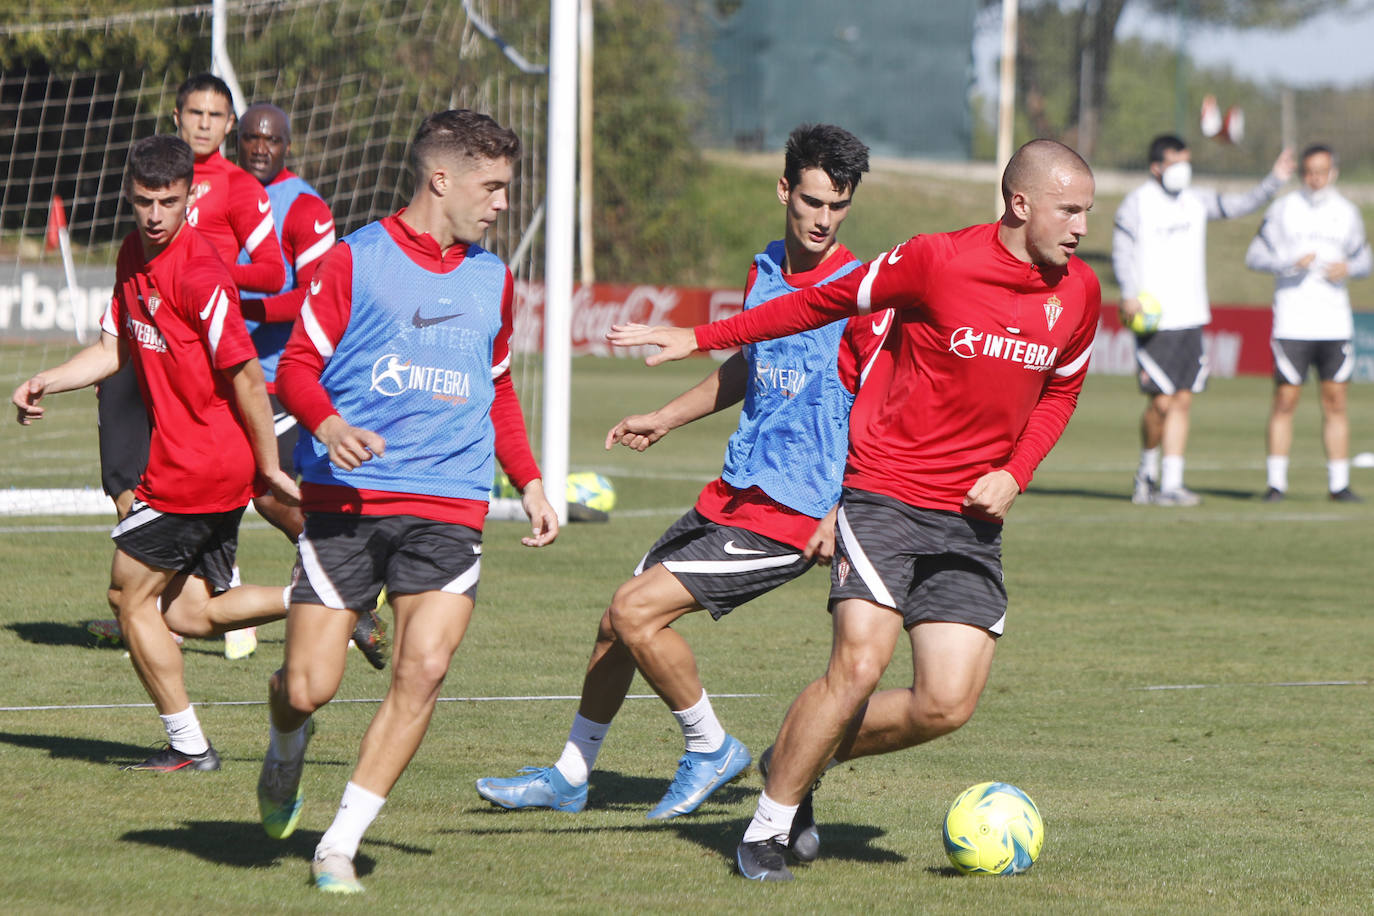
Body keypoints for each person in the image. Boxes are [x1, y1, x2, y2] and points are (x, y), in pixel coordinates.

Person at [608, 139, 1101, 881]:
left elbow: (1061, 391)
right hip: (885, 493)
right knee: (860, 664)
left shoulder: (1081, 293)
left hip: (972, 518)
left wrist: (1016, 473)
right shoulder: (935, 259)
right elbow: (819, 301)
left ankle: (791, 760)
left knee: (946, 703)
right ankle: (768, 830)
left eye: (1087, 212)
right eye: (1070, 210)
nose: (1081, 227)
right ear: (1021, 203)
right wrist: (700, 338)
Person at [474, 124, 890, 828]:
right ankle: (571, 776)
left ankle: (710, 747)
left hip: (794, 510)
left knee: (638, 612)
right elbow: (749, 364)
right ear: (784, 188)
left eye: (838, 207)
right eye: (812, 201)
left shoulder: (858, 292)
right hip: (736, 489)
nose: (823, 220)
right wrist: (668, 416)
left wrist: (839, 511)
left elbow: (881, 409)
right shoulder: (765, 271)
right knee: (617, 619)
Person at [255, 109, 559, 895]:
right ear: (440, 179)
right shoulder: (354, 261)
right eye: (490, 187)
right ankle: (286, 746)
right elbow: (294, 369)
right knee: (306, 687)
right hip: (348, 500)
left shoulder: (493, 276)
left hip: (452, 501)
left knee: (422, 669)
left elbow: (495, 388)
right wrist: (326, 423)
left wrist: (526, 479)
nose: (499, 203)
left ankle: (338, 845)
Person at [11, 134, 300, 772]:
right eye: (144, 201)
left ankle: (189, 747)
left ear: (189, 198)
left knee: (127, 597)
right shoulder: (130, 256)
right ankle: (322, 594)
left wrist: (271, 465)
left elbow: (248, 376)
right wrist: (45, 380)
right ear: (130, 194)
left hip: (200, 466)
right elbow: (115, 349)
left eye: (168, 202)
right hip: (195, 463)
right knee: (191, 612)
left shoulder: (199, 274)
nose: (155, 215)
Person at [89, 73, 287, 660]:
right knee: (126, 488)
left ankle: (154, 619)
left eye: (214, 114)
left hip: (204, 378)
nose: (203, 123)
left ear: (229, 124)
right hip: (146, 365)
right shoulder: (138, 230)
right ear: (176, 117)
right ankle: (163, 609)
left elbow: (274, 273)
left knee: (261, 496)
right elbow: (115, 330)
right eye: (193, 112)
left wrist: (209, 277)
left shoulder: (238, 190)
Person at [233, 102, 387, 666]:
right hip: (222, 373)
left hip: (279, 377)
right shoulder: (222, 193)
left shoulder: (303, 206)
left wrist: (241, 302)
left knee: (268, 492)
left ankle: (348, 576)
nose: (260, 148)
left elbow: (312, 294)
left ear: (287, 146)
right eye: (251, 138)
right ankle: (209, 611)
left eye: (271, 139)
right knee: (216, 486)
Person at [1113, 134, 1295, 506]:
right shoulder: (1137, 204)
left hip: (1191, 315)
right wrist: (1129, 293)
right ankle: (1147, 473)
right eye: (1176, 162)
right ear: (1156, 166)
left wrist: (1274, 179)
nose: (1184, 170)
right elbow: (1122, 251)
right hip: (1153, 318)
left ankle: (1172, 483)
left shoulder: (1195, 201)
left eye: (1186, 162)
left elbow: (1239, 205)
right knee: (1160, 403)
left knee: (1182, 400)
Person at [1245, 144, 1370, 503]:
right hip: (1293, 321)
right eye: (1309, 171)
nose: (1316, 178)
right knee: (1285, 400)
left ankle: (1339, 484)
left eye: (1322, 171)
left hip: (1334, 323)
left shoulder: (1347, 212)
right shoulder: (1283, 209)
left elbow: (1364, 258)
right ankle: (1276, 484)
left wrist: (1349, 268)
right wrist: (1288, 262)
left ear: (1334, 172)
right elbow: (1254, 255)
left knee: (1335, 403)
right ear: (1302, 173)